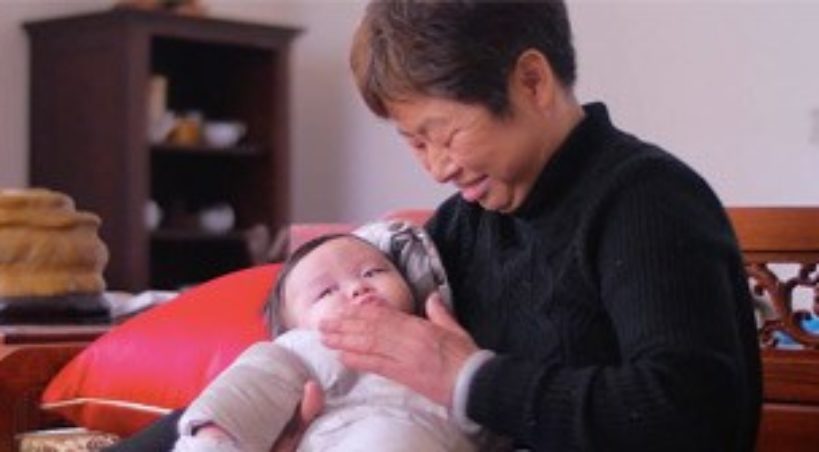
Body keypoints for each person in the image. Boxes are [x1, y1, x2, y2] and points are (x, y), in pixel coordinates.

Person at [111, 1, 762, 450]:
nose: (436, 168)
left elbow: (691, 417)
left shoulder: (646, 201)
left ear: (531, 81)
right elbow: (295, 363)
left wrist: (466, 378)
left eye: (442, 134)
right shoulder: (463, 228)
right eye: (413, 143)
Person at [173, 223, 491, 452]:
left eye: (373, 272)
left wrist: (473, 376)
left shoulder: (442, 342)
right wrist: (214, 435)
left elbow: (491, 426)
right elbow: (251, 384)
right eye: (326, 292)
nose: (358, 288)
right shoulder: (305, 347)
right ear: (294, 328)